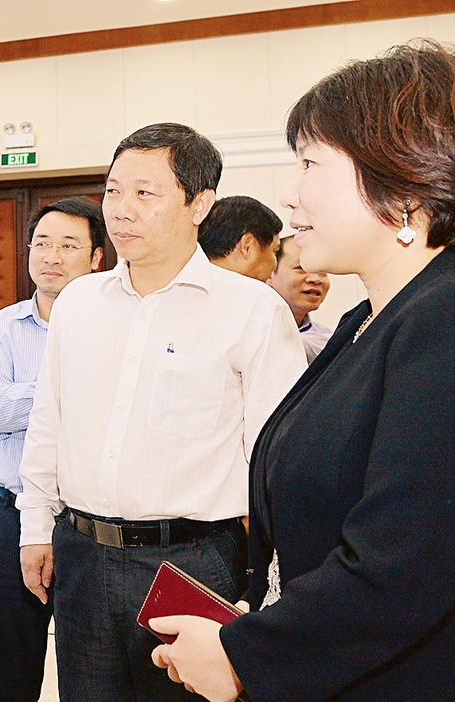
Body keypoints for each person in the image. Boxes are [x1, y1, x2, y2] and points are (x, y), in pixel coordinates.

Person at [150, 41, 455, 702]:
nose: (288, 193)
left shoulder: (442, 320)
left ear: (398, 174)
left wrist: (241, 655)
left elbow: (402, 571)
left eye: (310, 163)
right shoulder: (368, 322)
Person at [17, 123, 307, 702]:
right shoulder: (78, 303)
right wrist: (33, 527)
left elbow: (278, 458)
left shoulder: (251, 311)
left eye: (145, 194)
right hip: (82, 555)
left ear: (200, 204)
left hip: (194, 562)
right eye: (113, 190)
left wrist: (269, 582)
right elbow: (50, 420)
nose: (121, 210)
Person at [0, 197, 105, 702]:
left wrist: (31, 389)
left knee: (95, 670)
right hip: (8, 518)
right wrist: (65, 382)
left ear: (96, 258)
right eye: (42, 243)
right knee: (10, 672)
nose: (51, 255)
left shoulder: (115, 328)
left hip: (88, 523)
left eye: (68, 245)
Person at [267, 234, 332, 363]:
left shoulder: (329, 342)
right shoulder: (248, 332)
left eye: (322, 271)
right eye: (301, 268)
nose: (316, 279)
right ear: (270, 274)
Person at [198, 195, 283, 282]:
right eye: (274, 251)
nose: (275, 265)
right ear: (247, 246)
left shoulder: (187, 289)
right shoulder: (259, 294)